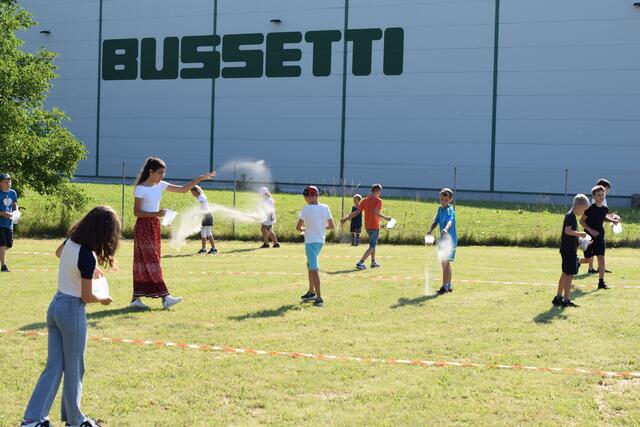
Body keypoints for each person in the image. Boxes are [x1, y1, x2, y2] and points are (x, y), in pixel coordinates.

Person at [21, 206, 120, 427]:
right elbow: (86, 296)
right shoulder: (87, 255)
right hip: (71, 310)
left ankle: (33, 419)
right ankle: (75, 420)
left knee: (54, 367)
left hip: (55, 306)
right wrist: (103, 299)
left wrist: (87, 270)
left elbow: (58, 254)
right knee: (75, 367)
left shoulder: (70, 243)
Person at [131, 157, 215, 309]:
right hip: (143, 227)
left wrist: (200, 179)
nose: (162, 175)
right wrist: (157, 213)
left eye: (164, 172)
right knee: (151, 261)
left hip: (154, 225)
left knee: (148, 261)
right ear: (151, 171)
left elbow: (183, 189)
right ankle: (166, 298)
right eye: (160, 172)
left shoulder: (160, 185)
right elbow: (137, 212)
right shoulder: (141, 188)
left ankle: (135, 299)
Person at [297, 186, 334, 307]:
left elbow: (298, 227)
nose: (306, 199)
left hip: (310, 241)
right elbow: (331, 226)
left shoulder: (306, 208)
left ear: (309, 196)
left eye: (306, 197)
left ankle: (319, 298)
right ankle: (311, 292)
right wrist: (319, 227)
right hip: (320, 241)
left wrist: (306, 229)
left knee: (313, 269)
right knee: (310, 265)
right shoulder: (325, 207)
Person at [579, 185, 620, 290]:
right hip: (588, 237)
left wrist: (612, 220)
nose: (601, 197)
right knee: (587, 259)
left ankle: (601, 282)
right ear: (594, 196)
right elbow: (581, 221)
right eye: (599, 195)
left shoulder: (605, 208)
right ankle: (577, 261)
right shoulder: (590, 208)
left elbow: (603, 217)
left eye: (603, 195)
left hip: (600, 236)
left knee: (601, 258)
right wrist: (591, 230)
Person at [340, 184, 391, 270]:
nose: (380, 193)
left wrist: (346, 219)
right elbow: (376, 212)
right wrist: (387, 218)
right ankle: (360, 263)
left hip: (367, 227)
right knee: (372, 246)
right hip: (374, 226)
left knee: (372, 245)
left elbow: (356, 212)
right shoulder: (379, 201)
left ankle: (373, 262)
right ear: (377, 191)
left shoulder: (364, 201)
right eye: (380, 192)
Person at [553, 194, 590, 308]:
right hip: (569, 251)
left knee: (565, 273)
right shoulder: (570, 216)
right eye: (584, 210)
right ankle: (566, 300)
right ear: (578, 207)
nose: (584, 213)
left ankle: (558, 298)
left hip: (568, 249)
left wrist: (582, 241)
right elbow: (567, 231)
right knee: (569, 275)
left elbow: (571, 235)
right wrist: (581, 234)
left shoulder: (571, 216)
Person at [426, 188, 457, 295]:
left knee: (445, 264)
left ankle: (444, 287)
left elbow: (450, 221)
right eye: (441, 199)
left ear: (450, 200)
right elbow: (436, 221)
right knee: (446, 264)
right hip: (443, 241)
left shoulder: (450, 210)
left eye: (445, 200)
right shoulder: (440, 209)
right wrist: (430, 229)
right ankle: (449, 285)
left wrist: (446, 229)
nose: (443, 201)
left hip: (449, 241)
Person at [586, 179, 618, 274]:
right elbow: (597, 215)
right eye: (607, 189)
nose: (607, 191)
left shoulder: (603, 199)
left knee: (599, 250)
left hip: (599, 228)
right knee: (592, 249)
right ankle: (591, 268)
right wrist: (611, 218)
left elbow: (603, 214)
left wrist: (612, 216)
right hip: (592, 228)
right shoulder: (595, 201)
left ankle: (600, 267)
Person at [190, 185, 217, 255]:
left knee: (208, 233)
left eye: (193, 193)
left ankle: (214, 249)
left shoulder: (201, 197)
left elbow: (201, 207)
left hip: (207, 216)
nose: (193, 194)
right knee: (203, 233)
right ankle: (203, 249)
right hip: (203, 217)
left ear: (197, 191)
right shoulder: (199, 197)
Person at [0, 173, 19, 272]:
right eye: (5, 182)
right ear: (0, 183)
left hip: (9, 224)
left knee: (9, 244)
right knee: (2, 244)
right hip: (0, 224)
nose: (8, 184)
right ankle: (4, 266)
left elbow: (14, 204)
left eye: (9, 182)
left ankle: (1, 255)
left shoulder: (13, 193)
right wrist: (3, 214)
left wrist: (16, 212)